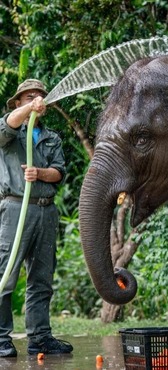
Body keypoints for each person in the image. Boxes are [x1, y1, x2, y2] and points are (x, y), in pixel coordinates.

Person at [0, 79, 73, 357]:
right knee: (5, 273)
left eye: (40, 97)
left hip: (46, 209)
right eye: (29, 97)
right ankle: (2, 339)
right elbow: (8, 124)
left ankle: (40, 338)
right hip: (16, 209)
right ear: (18, 102)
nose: (36, 100)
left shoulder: (51, 137)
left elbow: (59, 172)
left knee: (42, 278)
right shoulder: (9, 131)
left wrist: (39, 173)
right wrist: (30, 107)